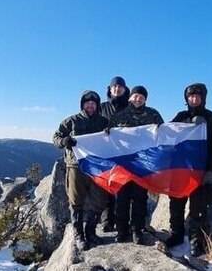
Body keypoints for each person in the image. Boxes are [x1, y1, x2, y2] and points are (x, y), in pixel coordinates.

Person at [166, 83, 212, 257]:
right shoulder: (180, 116)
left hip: (202, 171)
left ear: (203, 98)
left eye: (197, 96)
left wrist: (211, 170)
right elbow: (167, 137)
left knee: (198, 207)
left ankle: (195, 241)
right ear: (186, 99)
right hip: (181, 170)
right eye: (190, 96)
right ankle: (176, 234)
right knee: (176, 205)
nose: (194, 99)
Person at [53, 90, 109, 250]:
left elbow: (113, 139)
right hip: (76, 166)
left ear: (97, 105)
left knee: (99, 200)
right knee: (76, 201)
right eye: (87, 103)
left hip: (97, 166)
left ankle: (91, 232)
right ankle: (79, 235)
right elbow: (56, 138)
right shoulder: (71, 121)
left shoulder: (104, 122)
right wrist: (64, 140)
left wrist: (109, 134)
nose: (90, 105)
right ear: (82, 104)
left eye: (93, 103)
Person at [109, 85, 164, 244]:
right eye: (135, 96)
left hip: (143, 165)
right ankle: (121, 230)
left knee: (140, 198)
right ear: (129, 97)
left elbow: (163, 134)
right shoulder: (119, 116)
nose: (138, 99)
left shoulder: (153, 115)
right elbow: (109, 136)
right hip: (123, 165)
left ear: (145, 99)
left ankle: (137, 230)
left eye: (141, 96)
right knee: (122, 198)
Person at [98, 76, 129, 233]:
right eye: (114, 87)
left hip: (126, 154)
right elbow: (93, 123)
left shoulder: (130, 108)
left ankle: (123, 221)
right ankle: (107, 220)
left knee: (124, 188)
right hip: (106, 154)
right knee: (107, 186)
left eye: (120, 87)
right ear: (109, 89)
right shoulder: (101, 107)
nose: (117, 89)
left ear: (124, 89)